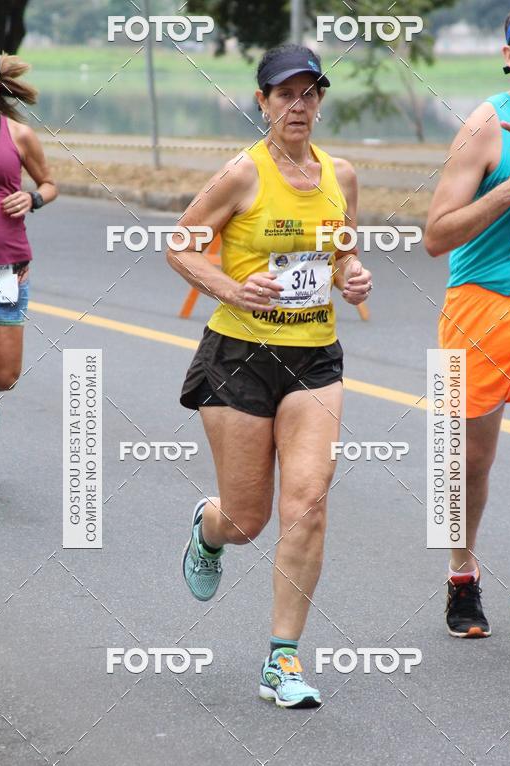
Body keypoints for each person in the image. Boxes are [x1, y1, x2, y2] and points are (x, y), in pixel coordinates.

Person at [167, 45, 372, 707]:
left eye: (311, 92)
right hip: (239, 359)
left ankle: (282, 659)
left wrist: (353, 276)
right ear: (262, 102)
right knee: (250, 519)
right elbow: (180, 244)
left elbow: (341, 254)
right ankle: (210, 527)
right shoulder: (242, 174)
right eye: (285, 93)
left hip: (314, 360)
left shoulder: (342, 173)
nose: (299, 105)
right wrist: (231, 287)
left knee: (308, 502)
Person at [424, 1, 510, 657]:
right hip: (478, 306)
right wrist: (505, 194)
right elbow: (434, 236)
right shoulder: (484, 125)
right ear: (509, 55)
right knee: (471, 464)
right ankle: (461, 572)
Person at [0, 43, 57, 495]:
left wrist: (34, 198)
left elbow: (50, 183)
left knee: (3, 375)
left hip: (10, 268)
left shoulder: (18, 135)